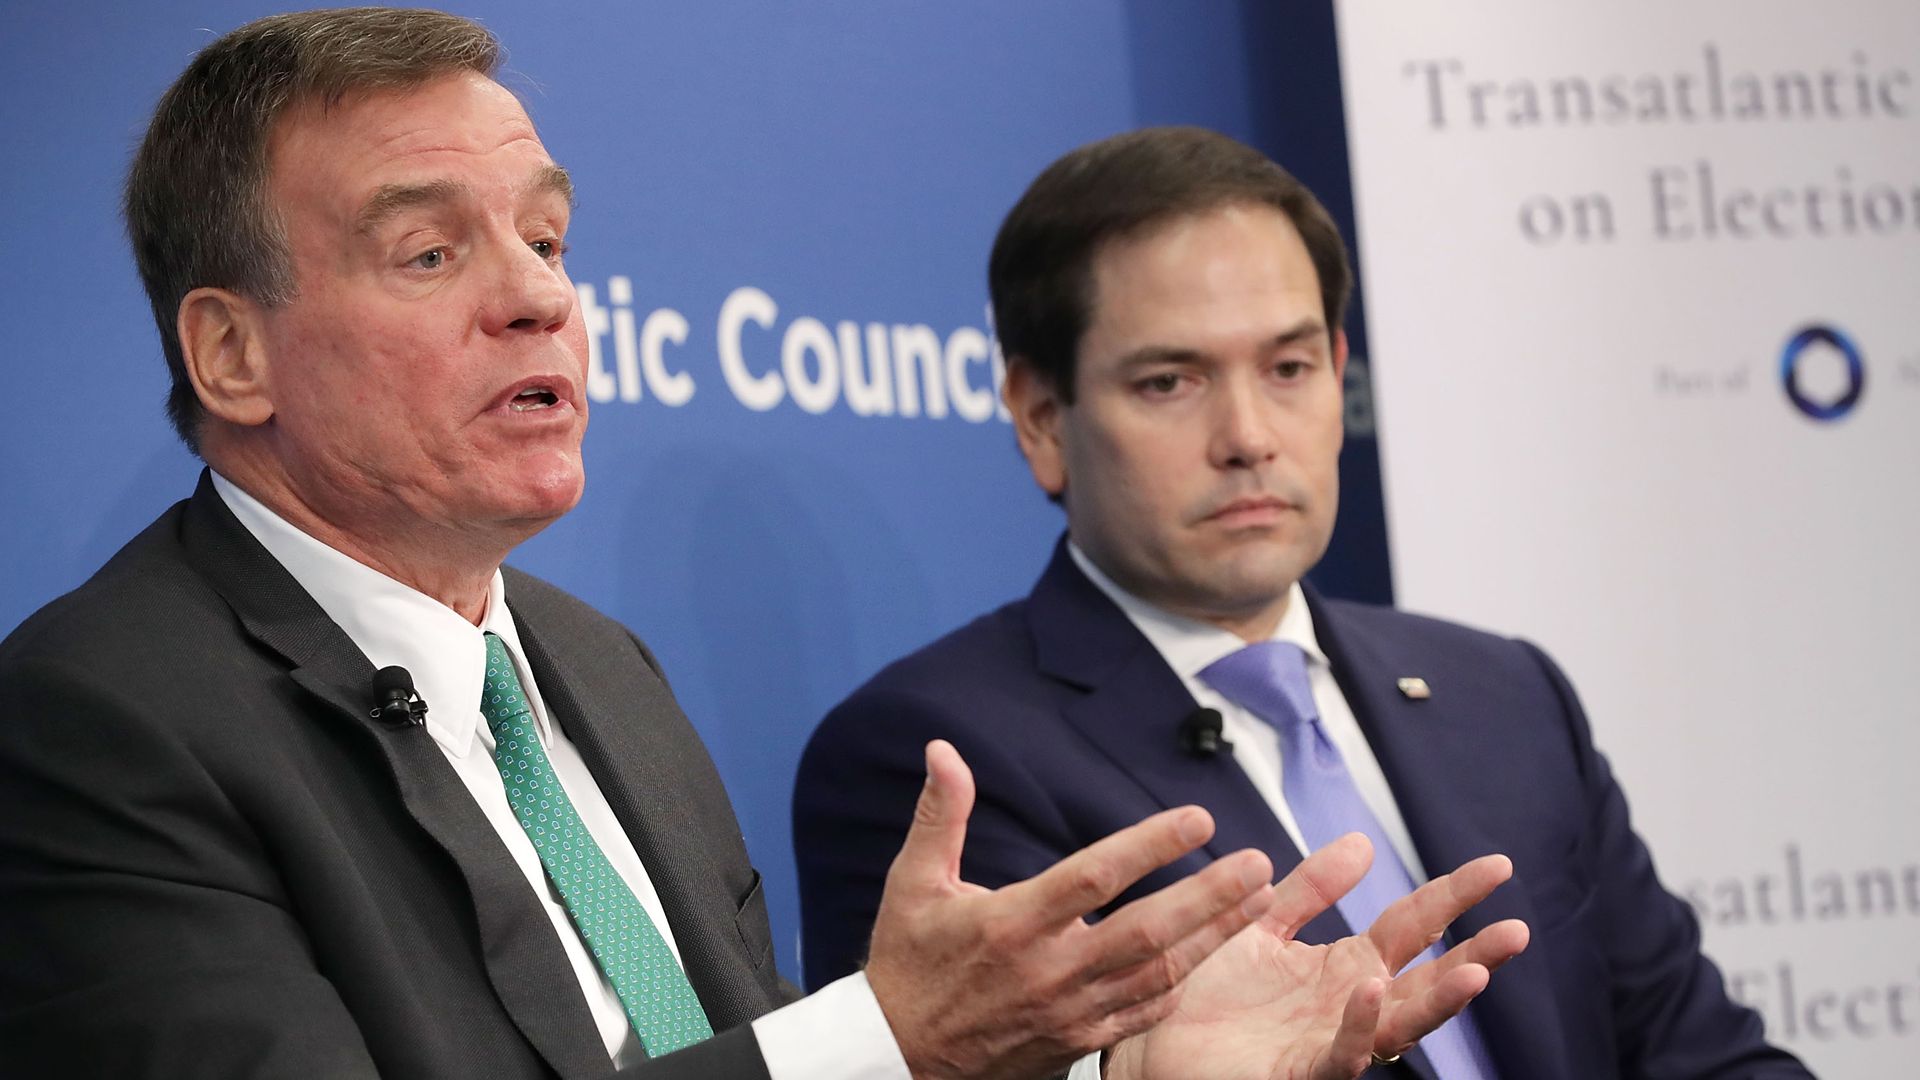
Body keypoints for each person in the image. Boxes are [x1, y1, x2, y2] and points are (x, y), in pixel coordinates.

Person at [0, 12, 1525, 1080]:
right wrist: (891, 1040)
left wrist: (1128, 1075)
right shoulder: (99, 722)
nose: (537, 297)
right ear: (232, 356)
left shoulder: (597, 673)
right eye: (429, 251)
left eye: (548, 236)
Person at [793, 127, 1812, 1078]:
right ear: (1041, 415)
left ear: (1335, 370)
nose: (1248, 435)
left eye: (1286, 368)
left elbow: (1706, 1056)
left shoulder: (1506, 694)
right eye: (1169, 383)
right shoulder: (938, 761)